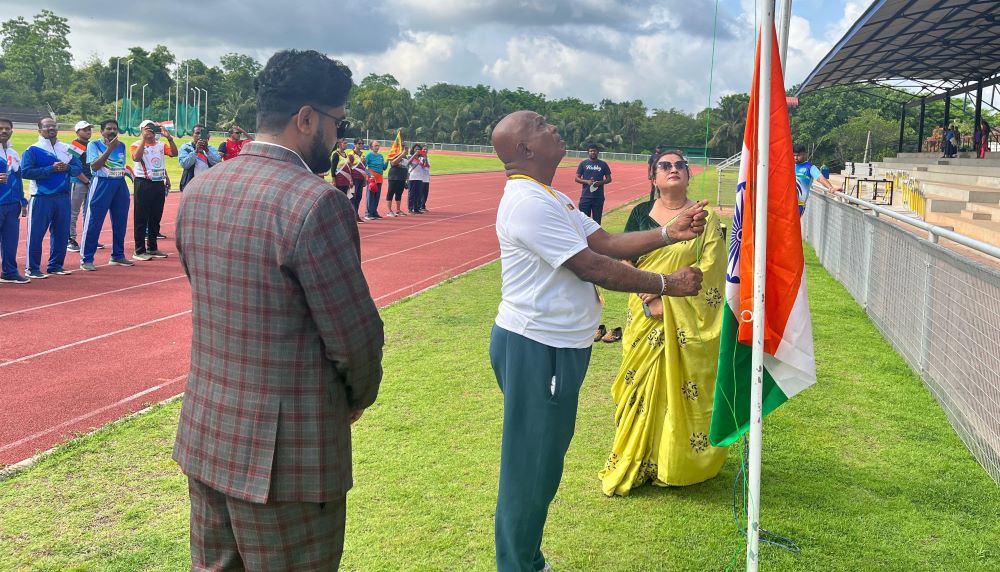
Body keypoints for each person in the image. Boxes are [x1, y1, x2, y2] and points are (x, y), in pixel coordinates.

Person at [174, 49, 384, 571]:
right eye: (338, 123)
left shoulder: (202, 188)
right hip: (289, 459)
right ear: (307, 118)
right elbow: (354, 336)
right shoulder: (315, 202)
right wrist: (357, 397)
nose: (338, 138)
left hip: (209, 433)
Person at [489, 110, 708, 572]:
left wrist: (668, 233)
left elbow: (606, 242)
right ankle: (519, 565)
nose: (553, 127)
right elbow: (591, 267)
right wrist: (668, 284)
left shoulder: (551, 197)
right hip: (537, 348)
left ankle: (528, 559)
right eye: (540, 125)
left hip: (557, 348)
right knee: (530, 468)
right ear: (525, 149)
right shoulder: (528, 202)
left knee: (544, 462)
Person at [598, 150, 729, 496]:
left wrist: (668, 296)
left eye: (680, 165)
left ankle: (675, 461)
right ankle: (639, 458)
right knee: (640, 387)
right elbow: (625, 260)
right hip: (644, 313)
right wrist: (651, 295)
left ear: (688, 173)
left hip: (686, 315)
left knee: (681, 388)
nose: (673, 169)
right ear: (653, 177)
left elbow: (712, 268)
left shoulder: (703, 218)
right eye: (665, 166)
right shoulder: (641, 214)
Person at [21, 117, 83, 278]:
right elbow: (25, 172)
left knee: (61, 233)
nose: (51, 128)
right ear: (39, 130)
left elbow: (78, 168)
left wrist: (67, 167)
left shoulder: (68, 148)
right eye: (47, 126)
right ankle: (32, 268)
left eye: (53, 126)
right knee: (36, 234)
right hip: (41, 197)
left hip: (63, 197)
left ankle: (56, 265)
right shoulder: (32, 150)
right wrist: (50, 169)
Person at [81, 118, 133, 271]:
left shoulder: (121, 145)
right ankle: (87, 259)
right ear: (102, 131)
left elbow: (120, 165)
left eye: (114, 129)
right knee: (94, 222)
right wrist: (109, 149)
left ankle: (118, 255)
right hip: (101, 184)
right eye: (109, 129)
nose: (112, 131)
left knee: (120, 221)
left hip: (119, 184)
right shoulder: (94, 145)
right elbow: (95, 166)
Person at [130, 120, 177, 260]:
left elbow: (174, 153)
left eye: (152, 128)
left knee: (155, 216)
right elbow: (136, 158)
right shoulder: (136, 144)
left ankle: (152, 247)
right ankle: (139, 250)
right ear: (141, 130)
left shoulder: (161, 145)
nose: (150, 130)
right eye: (147, 128)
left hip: (158, 183)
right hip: (143, 183)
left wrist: (169, 138)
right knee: (141, 217)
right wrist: (144, 140)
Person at [0, 117, 28, 283]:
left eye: (7, 128)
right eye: (0, 128)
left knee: (10, 241)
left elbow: (17, 178)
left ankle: (9, 272)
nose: (4, 131)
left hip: (13, 205)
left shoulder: (13, 153)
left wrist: (22, 201)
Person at [67, 120, 93, 252]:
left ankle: (88, 237)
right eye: (85, 129)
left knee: (88, 211)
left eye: (89, 129)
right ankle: (69, 239)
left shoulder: (91, 144)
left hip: (90, 181)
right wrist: (86, 181)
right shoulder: (76, 145)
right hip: (78, 182)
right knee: (73, 211)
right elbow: (72, 166)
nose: (88, 131)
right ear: (77, 132)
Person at [793, 143, 840, 215]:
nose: (796, 158)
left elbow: (820, 178)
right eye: (794, 155)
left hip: (799, 206)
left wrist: (831, 188)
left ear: (805, 154)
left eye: (798, 155)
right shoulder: (790, 165)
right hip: (786, 203)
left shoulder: (810, 167)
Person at [574, 143, 612, 224]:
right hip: (585, 197)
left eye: (594, 151)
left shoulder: (603, 164)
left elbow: (609, 179)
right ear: (588, 152)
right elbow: (576, 178)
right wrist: (586, 181)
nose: (593, 152)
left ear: (598, 152)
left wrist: (600, 183)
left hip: (598, 197)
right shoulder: (583, 163)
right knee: (584, 221)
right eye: (591, 151)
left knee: (597, 221)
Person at [178, 124, 221, 191]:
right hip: (190, 184)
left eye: (202, 133)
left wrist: (206, 150)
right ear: (192, 134)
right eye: (197, 133)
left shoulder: (211, 148)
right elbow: (184, 165)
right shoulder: (185, 147)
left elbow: (218, 163)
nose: (200, 135)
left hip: (208, 184)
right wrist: (196, 151)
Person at [385, 142, 408, 217]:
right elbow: (393, 163)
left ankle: (398, 210)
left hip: (402, 177)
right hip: (394, 177)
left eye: (404, 147)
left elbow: (406, 167)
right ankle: (389, 211)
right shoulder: (394, 154)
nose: (404, 148)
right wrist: (402, 154)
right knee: (390, 193)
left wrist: (407, 179)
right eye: (402, 146)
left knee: (399, 194)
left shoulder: (405, 156)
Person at [364, 140, 385, 220]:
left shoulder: (381, 156)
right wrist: (369, 174)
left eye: (378, 145)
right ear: (371, 147)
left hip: (379, 177)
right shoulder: (369, 155)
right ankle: (368, 213)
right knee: (370, 196)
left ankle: (374, 212)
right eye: (375, 145)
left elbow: (384, 168)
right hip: (372, 178)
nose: (377, 147)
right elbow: (363, 166)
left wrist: (388, 161)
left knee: (377, 196)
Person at [406, 144, 428, 214]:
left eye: (419, 149)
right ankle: (410, 209)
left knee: (418, 194)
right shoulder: (410, 157)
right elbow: (408, 163)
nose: (417, 150)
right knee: (412, 194)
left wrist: (425, 157)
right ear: (413, 150)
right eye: (416, 149)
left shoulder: (421, 158)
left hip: (420, 178)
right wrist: (414, 155)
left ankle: (416, 208)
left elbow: (425, 166)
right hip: (412, 177)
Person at [350, 138, 368, 222]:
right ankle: (352, 215)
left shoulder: (363, 154)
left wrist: (364, 180)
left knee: (359, 197)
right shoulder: (351, 154)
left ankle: (356, 214)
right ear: (355, 144)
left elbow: (363, 168)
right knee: (352, 197)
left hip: (360, 179)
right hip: (353, 179)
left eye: (362, 143)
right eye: (359, 143)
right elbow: (349, 167)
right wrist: (350, 180)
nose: (361, 145)